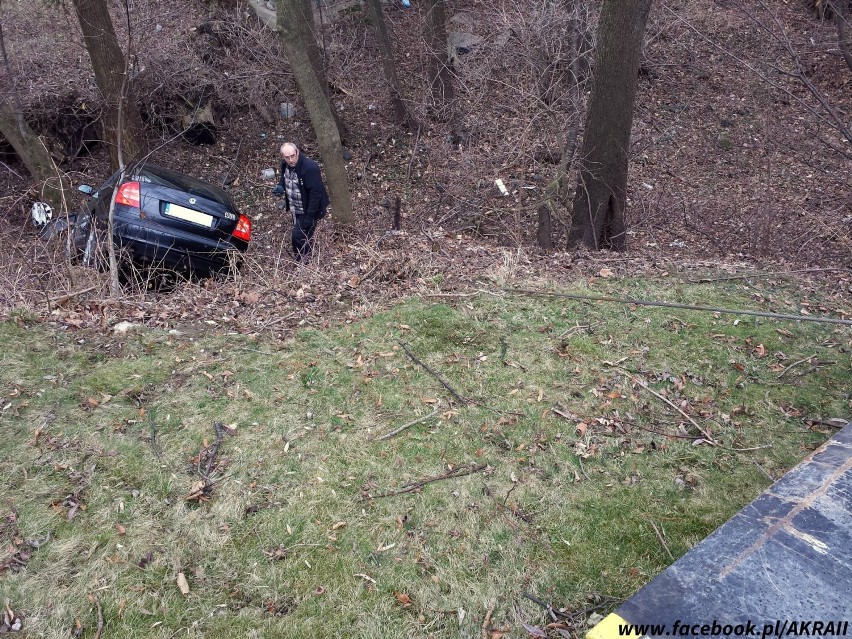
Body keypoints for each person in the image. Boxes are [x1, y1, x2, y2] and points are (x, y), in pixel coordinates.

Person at [272, 142, 329, 262]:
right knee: (303, 234)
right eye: (287, 157)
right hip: (295, 207)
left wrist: (310, 216)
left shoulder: (310, 168)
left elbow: (316, 194)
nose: (291, 160)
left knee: (298, 235)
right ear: (283, 156)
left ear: (297, 152)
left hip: (308, 208)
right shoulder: (285, 165)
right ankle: (305, 259)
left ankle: (304, 262)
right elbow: (284, 178)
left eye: (293, 156)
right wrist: (281, 186)